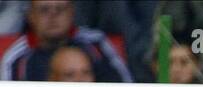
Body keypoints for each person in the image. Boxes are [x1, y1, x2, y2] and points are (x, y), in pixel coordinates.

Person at [1, 0, 133, 82]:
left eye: (60, 8)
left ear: (72, 11)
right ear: (30, 15)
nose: (53, 16)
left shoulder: (97, 44)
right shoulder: (15, 59)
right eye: (44, 9)